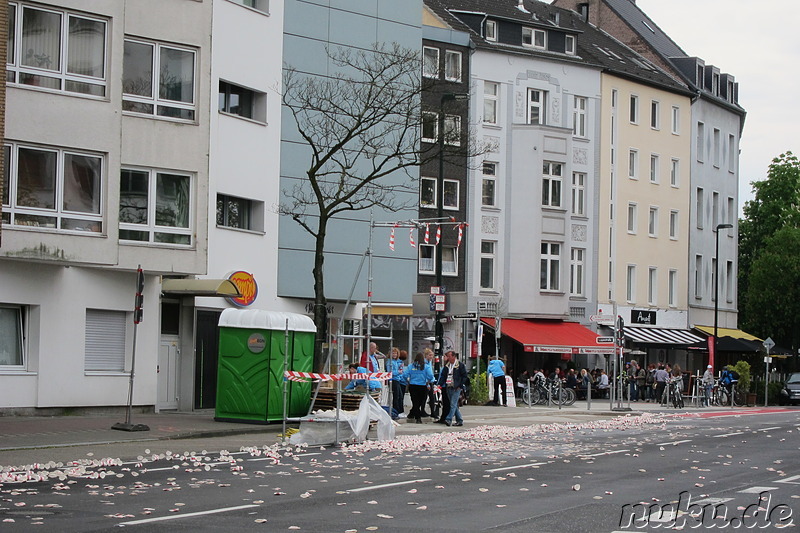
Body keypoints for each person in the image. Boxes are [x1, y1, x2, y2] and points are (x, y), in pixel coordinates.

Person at [404, 352, 434, 424]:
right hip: (423, 386)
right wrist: (428, 381)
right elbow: (431, 376)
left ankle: (414, 415)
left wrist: (407, 381)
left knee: (415, 402)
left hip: (413, 386)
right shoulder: (426, 367)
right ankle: (417, 417)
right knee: (420, 402)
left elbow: (405, 375)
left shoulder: (411, 366)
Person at [438, 351, 467, 427]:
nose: (447, 358)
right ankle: (459, 420)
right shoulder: (447, 366)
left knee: (453, 404)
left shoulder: (460, 365)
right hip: (449, 386)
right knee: (453, 404)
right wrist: (440, 384)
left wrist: (460, 385)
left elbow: (464, 376)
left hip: (456, 387)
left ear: (454, 357)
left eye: (449, 356)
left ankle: (448, 419)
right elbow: (443, 376)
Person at [386, 347, 406, 418]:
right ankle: (396, 411)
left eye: (396, 353)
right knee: (396, 396)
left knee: (400, 396)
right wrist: (398, 372)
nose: (394, 354)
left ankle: (400, 411)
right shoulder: (389, 362)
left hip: (398, 380)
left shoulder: (396, 361)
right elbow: (390, 372)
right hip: (393, 380)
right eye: (393, 353)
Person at [423, 349, 438, 419]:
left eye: (432, 355)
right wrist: (428, 383)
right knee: (425, 397)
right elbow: (425, 373)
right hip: (426, 382)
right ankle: (423, 410)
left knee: (432, 397)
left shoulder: (430, 362)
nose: (431, 356)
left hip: (431, 381)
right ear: (426, 355)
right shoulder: (424, 363)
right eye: (430, 355)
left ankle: (432, 411)